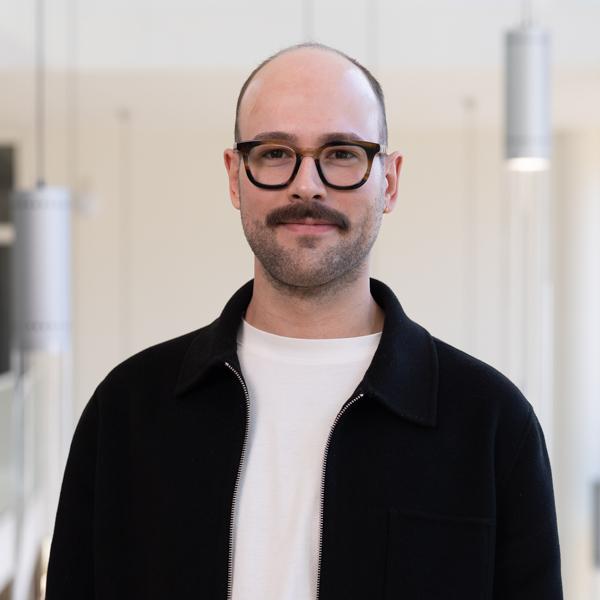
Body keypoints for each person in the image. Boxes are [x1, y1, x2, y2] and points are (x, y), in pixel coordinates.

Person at [45, 42, 563, 599]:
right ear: (234, 177)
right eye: (274, 152)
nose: (307, 184)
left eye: (341, 153)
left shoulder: (490, 422)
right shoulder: (127, 410)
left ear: (389, 181)